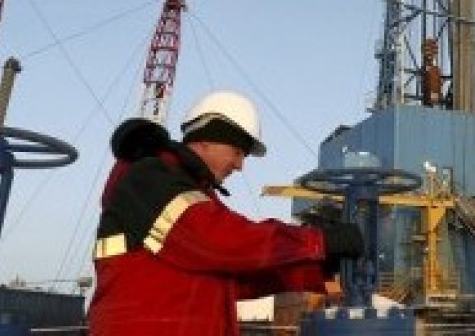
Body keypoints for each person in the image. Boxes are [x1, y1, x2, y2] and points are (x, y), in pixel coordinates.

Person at [87, 90, 363, 336]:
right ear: (207, 139)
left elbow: (237, 276)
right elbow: (220, 240)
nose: (240, 165)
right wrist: (317, 241)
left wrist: (316, 265)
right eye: (237, 151)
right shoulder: (149, 177)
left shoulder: (194, 193)